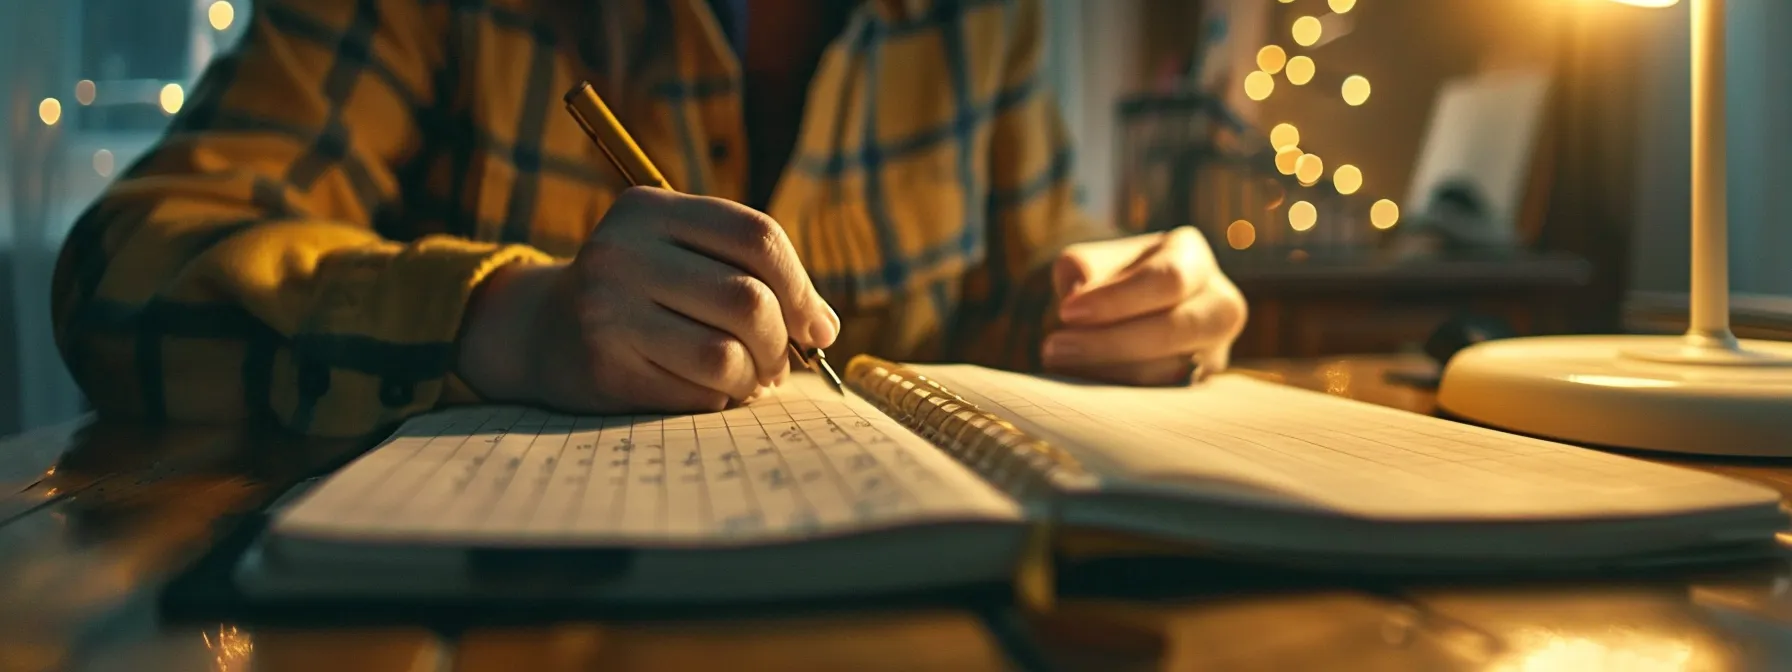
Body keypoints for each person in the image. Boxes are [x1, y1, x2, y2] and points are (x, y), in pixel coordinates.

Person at [51, 0, 1246, 438]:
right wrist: (505, 322)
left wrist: (1113, 299)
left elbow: (1022, 288)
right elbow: (123, 274)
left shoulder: (990, 21)